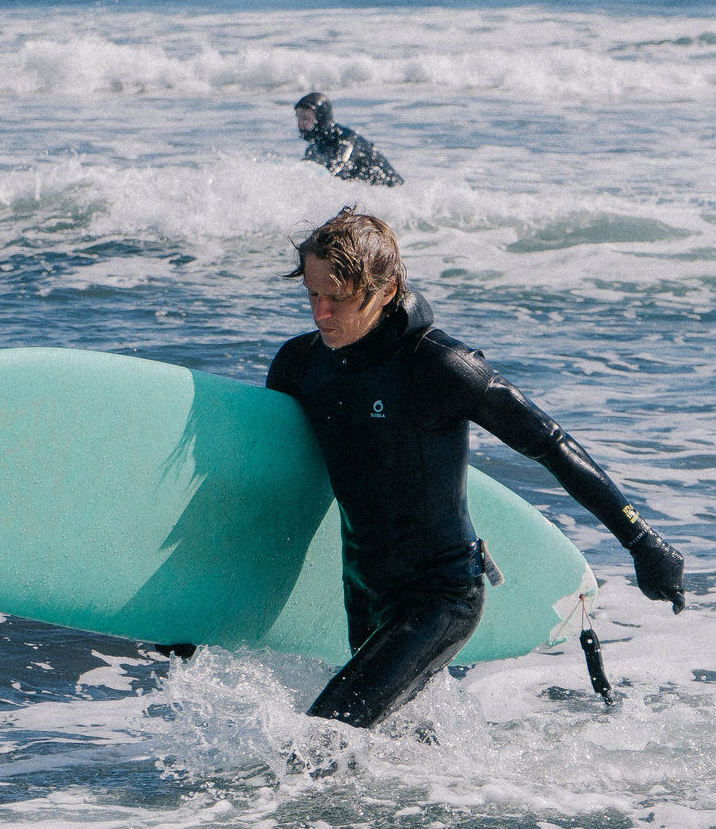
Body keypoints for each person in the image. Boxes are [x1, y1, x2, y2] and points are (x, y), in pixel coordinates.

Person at [267, 207, 686, 729]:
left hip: (441, 596)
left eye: (338, 299)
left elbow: (551, 445)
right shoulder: (302, 364)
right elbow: (269, 475)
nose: (320, 313)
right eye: (311, 295)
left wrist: (643, 542)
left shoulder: (440, 366)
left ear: (387, 290)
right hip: (363, 590)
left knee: (327, 732)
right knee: (388, 744)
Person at [293, 92, 402, 187]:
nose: (300, 125)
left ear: (321, 118)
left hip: (393, 193)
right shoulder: (314, 147)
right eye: (298, 118)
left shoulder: (345, 140)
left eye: (305, 118)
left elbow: (335, 173)